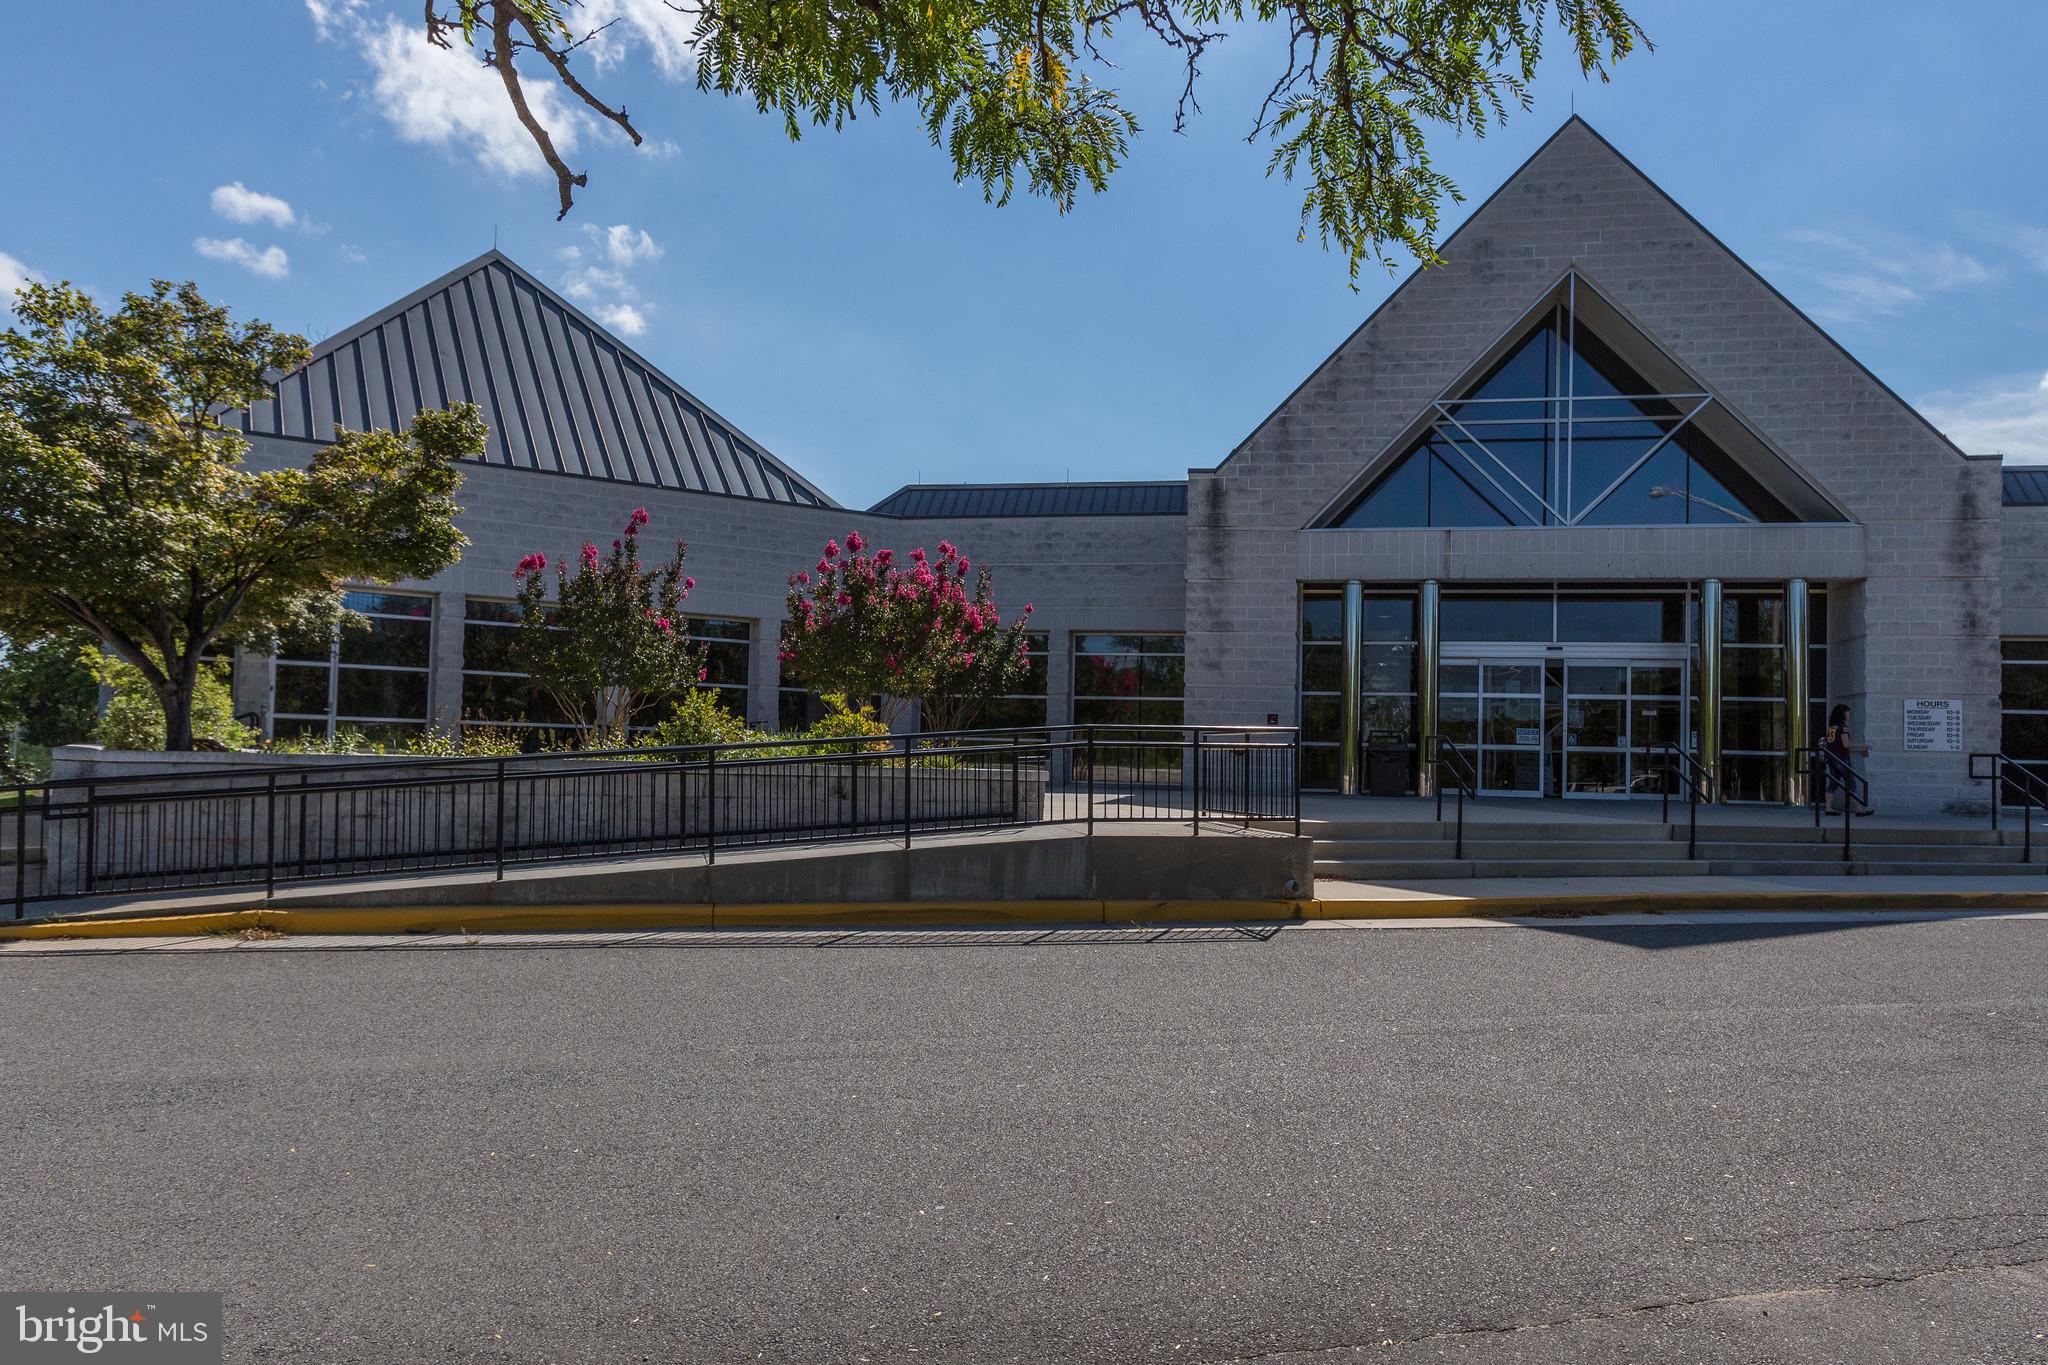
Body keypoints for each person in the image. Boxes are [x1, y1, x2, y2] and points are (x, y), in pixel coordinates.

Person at [1821, 703, 1874, 816]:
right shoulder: (1843, 727)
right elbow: (1846, 744)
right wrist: (1862, 746)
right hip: (1842, 759)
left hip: (1832, 758)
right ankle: (1859, 809)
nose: (1849, 715)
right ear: (1842, 714)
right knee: (1851, 784)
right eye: (1847, 712)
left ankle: (1828, 808)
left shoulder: (1831, 728)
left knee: (1833, 784)